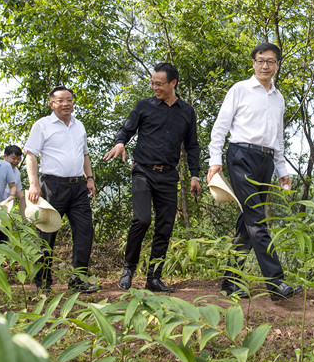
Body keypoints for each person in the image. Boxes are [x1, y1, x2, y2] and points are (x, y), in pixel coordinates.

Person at [208, 42, 303, 301]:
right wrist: (214, 161)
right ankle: (276, 284)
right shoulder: (240, 89)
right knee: (257, 219)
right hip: (241, 156)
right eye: (260, 60)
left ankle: (229, 282)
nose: (265, 65)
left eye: (270, 61)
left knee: (247, 223)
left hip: (267, 161)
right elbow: (220, 128)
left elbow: (278, 138)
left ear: (277, 65)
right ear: (253, 63)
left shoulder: (278, 97)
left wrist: (282, 170)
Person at [104, 62, 201, 293]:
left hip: (168, 176)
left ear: (173, 83)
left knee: (165, 227)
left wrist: (195, 175)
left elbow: (192, 146)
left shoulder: (187, 112)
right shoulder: (144, 106)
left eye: (159, 83)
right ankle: (128, 268)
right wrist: (120, 143)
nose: (154, 87)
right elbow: (126, 129)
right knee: (142, 219)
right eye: (152, 83)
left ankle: (154, 278)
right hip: (143, 172)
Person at [25, 86, 99, 293]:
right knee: (46, 234)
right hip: (52, 186)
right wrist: (33, 184)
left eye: (69, 100)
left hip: (78, 187)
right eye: (60, 101)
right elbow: (30, 155)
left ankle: (78, 280)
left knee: (85, 231)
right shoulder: (42, 125)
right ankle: (43, 284)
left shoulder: (79, 126)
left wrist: (90, 178)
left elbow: (85, 154)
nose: (65, 104)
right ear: (52, 104)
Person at [2, 145, 26, 217]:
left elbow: (18, 191)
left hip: (5, 207)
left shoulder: (16, 172)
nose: (16, 161)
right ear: (5, 156)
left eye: (18, 159)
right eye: (13, 158)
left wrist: (26, 202)